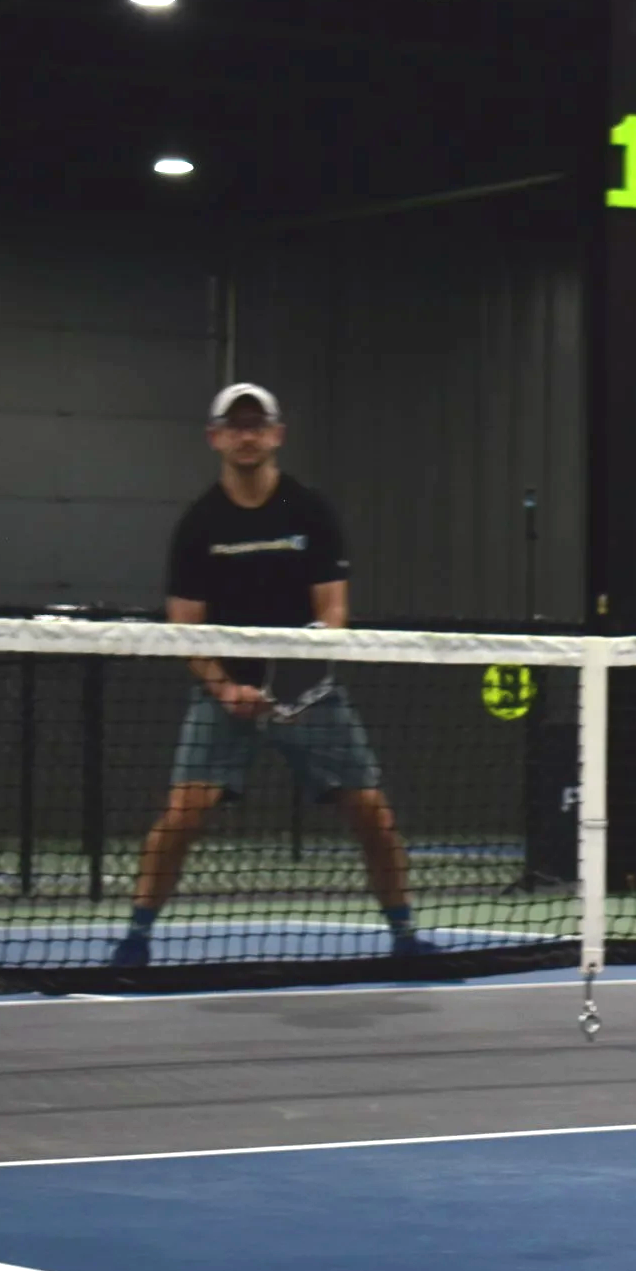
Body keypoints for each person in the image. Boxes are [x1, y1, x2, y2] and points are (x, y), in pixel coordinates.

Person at [110, 384, 432, 968]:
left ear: (277, 434)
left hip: (309, 694)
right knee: (184, 813)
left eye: (257, 425)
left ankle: (405, 936)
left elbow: (333, 611)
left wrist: (292, 677)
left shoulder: (308, 510)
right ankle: (136, 938)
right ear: (215, 438)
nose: (247, 435)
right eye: (235, 426)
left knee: (372, 812)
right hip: (224, 695)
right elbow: (184, 625)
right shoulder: (199, 523)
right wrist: (225, 688)